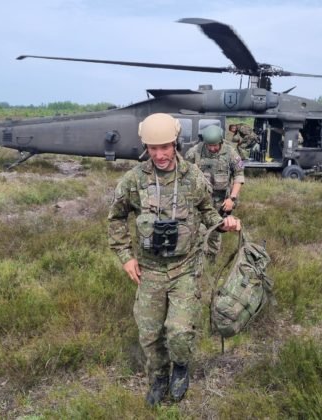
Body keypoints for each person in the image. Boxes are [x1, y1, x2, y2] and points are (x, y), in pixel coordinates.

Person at [107, 113, 242, 407]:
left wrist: (224, 223)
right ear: (146, 148)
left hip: (185, 268)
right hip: (150, 270)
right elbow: (116, 217)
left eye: (165, 147)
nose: (160, 155)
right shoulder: (134, 180)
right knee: (150, 334)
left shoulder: (193, 177)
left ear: (175, 144)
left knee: (180, 332)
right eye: (153, 149)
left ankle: (180, 368)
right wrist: (125, 256)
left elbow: (207, 211)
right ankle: (158, 376)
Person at [184, 124, 245, 259]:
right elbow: (183, 172)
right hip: (199, 200)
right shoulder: (195, 152)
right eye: (209, 145)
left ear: (221, 141)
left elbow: (239, 176)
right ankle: (197, 260)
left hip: (221, 201)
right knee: (197, 229)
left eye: (215, 145)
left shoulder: (231, 153)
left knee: (216, 230)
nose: (212, 148)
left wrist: (232, 199)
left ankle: (211, 260)